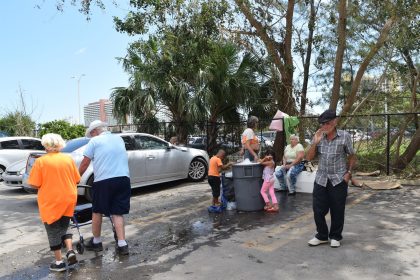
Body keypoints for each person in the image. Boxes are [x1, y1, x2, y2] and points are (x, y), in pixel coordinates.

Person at [28, 133, 80, 272]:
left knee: (52, 230)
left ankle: (59, 262)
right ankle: (70, 251)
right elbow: (77, 179)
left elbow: (34, 183)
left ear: (46, 146)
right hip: (69, 197)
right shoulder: (68, 159)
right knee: (65, 225)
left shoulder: (41, 161)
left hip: (51, 200)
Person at [79, 120, 131, 255]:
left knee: (97, 211)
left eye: (92, 133)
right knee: (117, 212)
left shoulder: (94, 142)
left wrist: (75, 179)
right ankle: (122, 244)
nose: (91, 136)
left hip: (104, 181)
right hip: (123, 179)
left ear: (95, 131)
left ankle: (96, 242)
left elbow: (85, 163)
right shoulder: (119, 139)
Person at [306, 109, 356, 248]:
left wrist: (349, 173)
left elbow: (352, 155)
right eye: (322, 124)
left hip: (338, 179)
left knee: (337, 209)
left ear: (334, 122)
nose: (324, 126)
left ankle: (335, 236)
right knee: (318, 209)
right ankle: (321, 236)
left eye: (327, 123)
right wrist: (314, 143)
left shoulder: (344, 136)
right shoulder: (318, 136)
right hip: (321, 178)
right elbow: (308, 158)